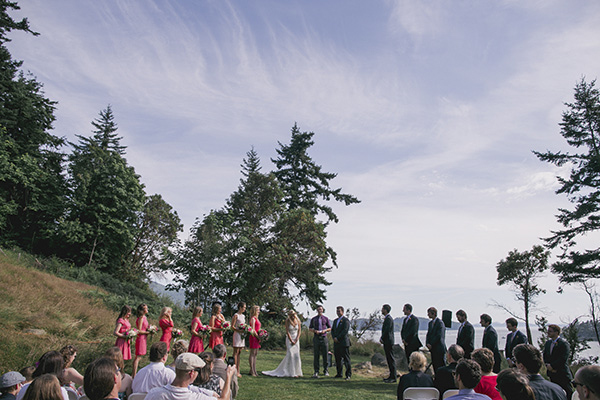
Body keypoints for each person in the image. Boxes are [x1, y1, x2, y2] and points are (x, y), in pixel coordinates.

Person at [144, 353, 235, 400]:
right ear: (192, 373)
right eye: (198, 371)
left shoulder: (153, 394)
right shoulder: (196, 398)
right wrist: (229, 376)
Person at [262, 310, 302, 378]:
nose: (292, 317)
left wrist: (296, 339)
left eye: (293, 315)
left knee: (296, 355)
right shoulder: (287, 321)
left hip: (296, 339)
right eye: (291, 315)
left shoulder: (298, 320)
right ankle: (290, 372)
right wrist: (291, 340)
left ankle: (297, 371)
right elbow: (287, 331)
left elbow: (299, 331)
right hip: (289, 339)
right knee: (290, 354)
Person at [543, 324, 573, 399]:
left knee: (568, 393)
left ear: (556, 332)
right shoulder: (548, 343)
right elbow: (545, 356)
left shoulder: (563, 344)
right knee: (554, 393)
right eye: (548, 331)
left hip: (561, 373)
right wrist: (548, 365)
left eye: (550, 331)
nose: (548, 333)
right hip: (552, 373)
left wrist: (553, 366)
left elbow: (563, 358)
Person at [309, 305, 331, 378]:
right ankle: (316, 371)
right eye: (318, 309)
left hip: (324, 337)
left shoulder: (326, 318)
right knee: (316, 355)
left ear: (322, 310)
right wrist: (315, 331)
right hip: (316, 337)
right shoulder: (314, 319)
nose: (319, 310)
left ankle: (326, 370)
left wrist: (325, 330)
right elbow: (310, 328)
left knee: (325, 354)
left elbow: (330, 328)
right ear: (317, 310)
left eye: (321, 309)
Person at [331, 306, 351, 380]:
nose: (338, 312)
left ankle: (348, 374)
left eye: (339, 311)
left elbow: (345, 331)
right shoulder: (335, 321)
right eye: (337, 311)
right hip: (336, 343)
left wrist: (338, 338)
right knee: (337, 359)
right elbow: (332, 330)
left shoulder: (345, 320)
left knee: (346, 359)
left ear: (342, 312)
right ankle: (339, 373)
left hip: (343, 342)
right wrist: (334, 338)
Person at [426, 307, 447, 373]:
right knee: (435, 365)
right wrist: (427, 343)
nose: (427, 315)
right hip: (433, 349)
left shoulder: (440, 323)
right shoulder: (430, 323)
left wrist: (431, 344)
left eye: (429, 313)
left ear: (433, 313)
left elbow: (439, 335)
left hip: (439, 348)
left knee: (441, 365)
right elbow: (428, 334)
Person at [381, 304, 397, 383]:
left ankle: (393, 377)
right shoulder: (387, 318)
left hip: (388, 341)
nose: (381, 310)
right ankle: (391, 375)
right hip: (387, 341)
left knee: (391, 359)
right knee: (389, 359)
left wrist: (382, 338)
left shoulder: (389, 319)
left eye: (382, 309)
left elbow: (387, 330)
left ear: (385, 310)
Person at [133, 303, 150, 377]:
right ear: (142, 310)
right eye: (146, 308)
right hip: (140, 338)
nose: (147, 310)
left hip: (144, 338)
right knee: (138, 357)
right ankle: (134, 374)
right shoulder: (141, 318)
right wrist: (147, 332)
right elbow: (139, 330)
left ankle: (135, 372)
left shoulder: (145, 318)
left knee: (140, 357)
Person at [231, 302, 246, 378]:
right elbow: (232, 326)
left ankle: (238, 370)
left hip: (242, 335)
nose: (244, 309)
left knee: (239, 352)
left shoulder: (243, 316)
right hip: (237, 334)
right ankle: (234, 370)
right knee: (236, 352)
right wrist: (239, 330)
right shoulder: (236, 315)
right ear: (240, 307)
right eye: (243, 307)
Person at [248, 305, 261, 377]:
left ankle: (254, 369)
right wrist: (257, 336)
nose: (259, 311)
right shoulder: (253, 319)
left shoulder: (257, 318)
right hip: (253, 337)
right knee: (252, 353)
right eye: (258, 310)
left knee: (255, 353)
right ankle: (252, 370)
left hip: (257, 337)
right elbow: (252, 330)